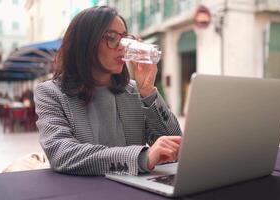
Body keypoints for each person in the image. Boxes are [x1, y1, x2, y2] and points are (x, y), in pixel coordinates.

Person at [34, 6, 182, 176]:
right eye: (112, 38)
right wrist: (141, 157)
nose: (122, 47)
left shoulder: (134, 90)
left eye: (124, 38)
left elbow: (175, 146)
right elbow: (61, 153)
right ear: (85, 43)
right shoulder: (50, 93)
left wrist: (148, 91)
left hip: (136, 191)